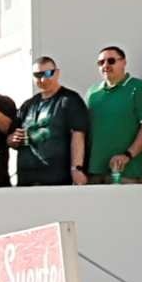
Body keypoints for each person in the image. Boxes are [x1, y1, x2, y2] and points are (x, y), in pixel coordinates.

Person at [85, 44, 142, 185]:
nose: (105, 65)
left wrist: (128, 155)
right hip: (93, 173)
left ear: (124, 62)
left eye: (111, 61)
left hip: (125, 172)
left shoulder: (139, 88)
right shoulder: (92, 92)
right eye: (101, 62)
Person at [13, 55, 88, 185]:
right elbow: (12, 137)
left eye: (48, 73)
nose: (43, 79)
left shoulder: (69, 99)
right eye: (38, 75)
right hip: (26, 179)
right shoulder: (28, 105)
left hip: (57, 179)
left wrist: (76, 168)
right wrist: (12, 139)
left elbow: (78, 135)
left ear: (57, 73)